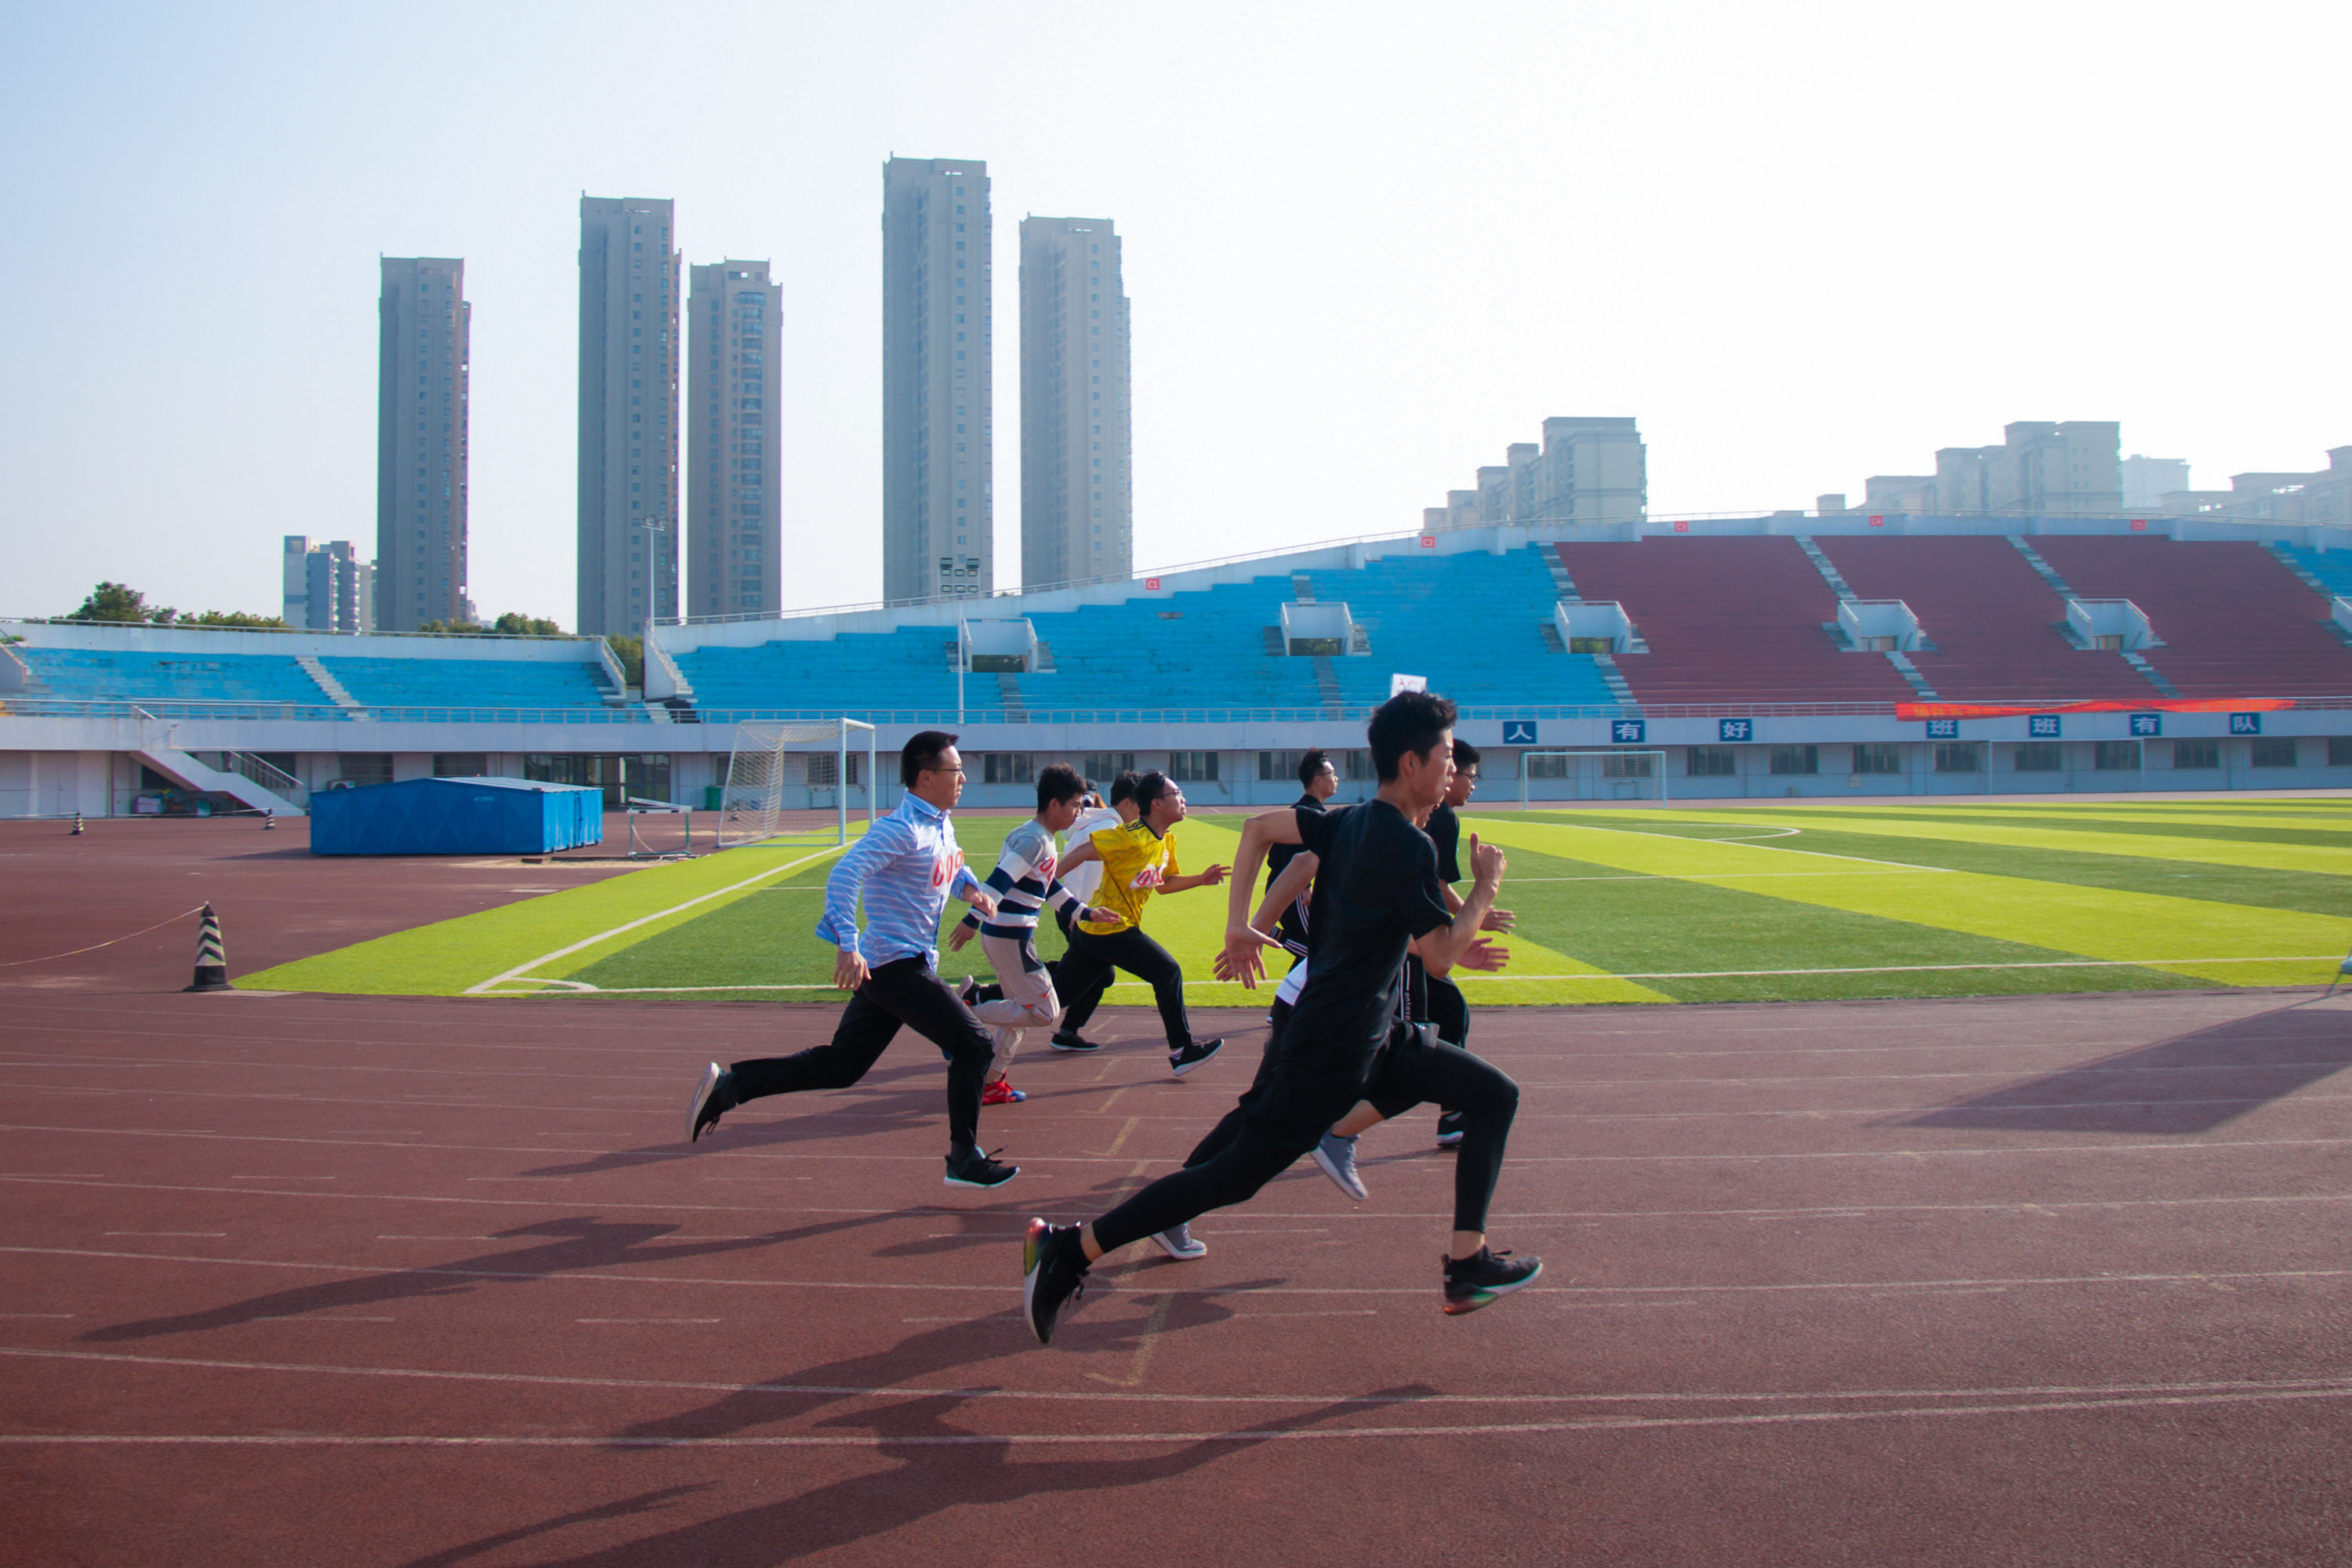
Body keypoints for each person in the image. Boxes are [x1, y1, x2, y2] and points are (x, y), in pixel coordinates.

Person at [1019, 691, 1540, 1343]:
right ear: (1411, 763)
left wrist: (1242, 924)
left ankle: (1466, 1263)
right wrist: (1485, 888)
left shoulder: (1348, 821)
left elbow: (1262, 830)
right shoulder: (1405, 846)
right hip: (1332, 1048)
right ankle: (1071, 1249)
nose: (1450, 770)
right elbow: (1437, 957)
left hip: (1373, 1035)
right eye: (1444, 758)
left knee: (1494, 1094)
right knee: (1232, 1175)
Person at [683, 731, 1018, 1190]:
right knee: (976, 1046)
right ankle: (964, 1157)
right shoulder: (899, 829)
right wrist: (847, 942)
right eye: (955, 770)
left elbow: (949, 865)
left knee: (842, 1067)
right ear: (925, 777)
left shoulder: (939, 823)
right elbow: (845, 874)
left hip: (892, 967)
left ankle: (732, 1086)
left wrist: (971, 889)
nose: (963, 778)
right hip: (897, 966)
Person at [946, 764, 1117, 1105]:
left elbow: (1048, 886)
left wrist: (1086, 913)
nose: (1079, 812)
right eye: (1074, 805)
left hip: (1011, 935)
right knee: (1044, 1012)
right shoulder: (1034, 840)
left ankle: (992, 1082)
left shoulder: (1038, 838)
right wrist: (971, 919)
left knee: (1017, 1015)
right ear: (1054, 804)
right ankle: (964, 1008)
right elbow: (999, 880)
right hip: (1008, 937)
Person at [1051, 771, 1230, 1077]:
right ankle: (1181, 1050)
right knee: (1167, 970)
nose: (1183, 799)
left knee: (1058, 995)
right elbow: (1082, 852)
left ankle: (981, 997)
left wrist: (1201, 879)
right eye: (1176, 794)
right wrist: (1047, 883)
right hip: (1111, 929)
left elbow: (1165, 883)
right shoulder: (1129, 835)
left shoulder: (1166, 840)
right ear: (1157, 804)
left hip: (1095, 934)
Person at [1266, 750, 1338, 965]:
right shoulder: (1309, 815)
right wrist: (1305, 887)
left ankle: (1292, 997)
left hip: (1288, 889)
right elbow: (1287, 854)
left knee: (1316, 952)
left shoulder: (1305, 811)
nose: (1336, 779)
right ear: (1317, 780)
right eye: (1332, 774)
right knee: (1319, 949)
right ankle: (1271, 933)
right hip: (1293, 891)